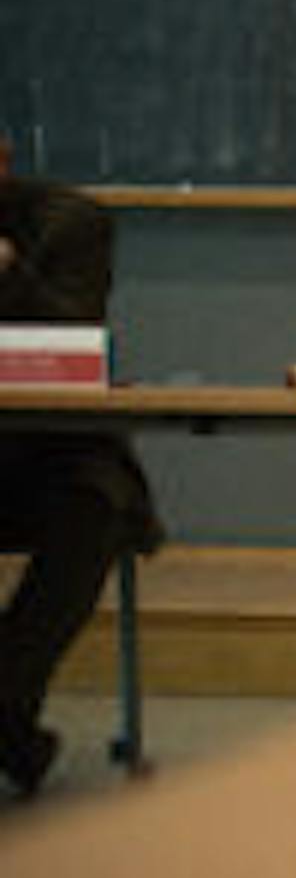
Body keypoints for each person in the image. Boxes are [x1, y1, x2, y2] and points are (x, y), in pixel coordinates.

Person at [0, 142, 161, 798]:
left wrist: (6, 273)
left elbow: (73, 337)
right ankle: (9, 728)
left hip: (57, 457)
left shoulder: (74, 223)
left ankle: (4, 699)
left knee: (94, 504)